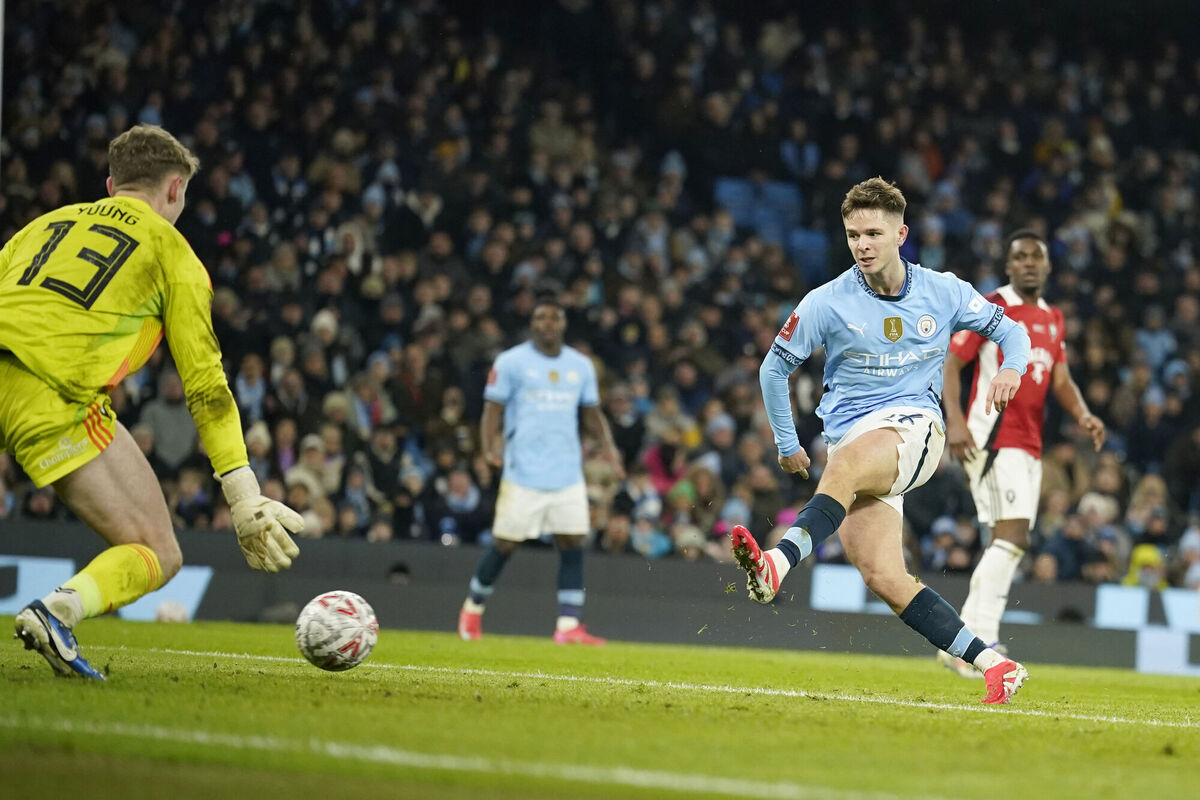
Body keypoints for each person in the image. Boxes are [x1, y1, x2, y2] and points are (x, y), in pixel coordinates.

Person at [0, 125, 303, 679]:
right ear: (175, 189)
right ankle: (58, 609)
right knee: (159, 552)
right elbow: (206, 385)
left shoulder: (44, 224)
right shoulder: (172, 251)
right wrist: (242, 496)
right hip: (52, 391)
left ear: (112, 184)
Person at [729, 177, 1033, 704]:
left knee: (842, 467)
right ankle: (995, 664)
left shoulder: (945, 291)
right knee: (885, 577)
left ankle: (776, 564)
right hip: (856, 441)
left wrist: (1012, 369)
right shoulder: (826, 302)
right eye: (852, 235)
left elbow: (1013, 331)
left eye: (872, 233)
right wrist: (785, 442)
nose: (862, 245)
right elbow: (772, 370)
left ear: (900, 234)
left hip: (917, 429)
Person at [938, 230, 1106, 677]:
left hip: (1030, 443)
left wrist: (1084, 414)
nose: (1029, 263)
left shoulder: (1053, 318)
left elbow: (1062, 379)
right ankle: (983, 640)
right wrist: (954, 420)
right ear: (1009, 266)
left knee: (1006, 544)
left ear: (1048, 266)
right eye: (1021, 257)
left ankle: (959, 642)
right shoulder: (993, 304)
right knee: (1012, 539)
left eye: (1037, 256)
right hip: (992, 435)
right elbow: (951, 364)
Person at [457, 288, 624, 644]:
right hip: (523, 472)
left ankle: (568, 627)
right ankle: (472, 611)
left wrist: (610, 448)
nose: (548, 324)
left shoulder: (580, 366)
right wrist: (488, 448)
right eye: (540, 318)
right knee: (504, 544)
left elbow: (592, 413)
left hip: (567, 473)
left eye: (554, 317)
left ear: (563, 323)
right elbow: (492, 410)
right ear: (532, 324)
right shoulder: (510, 362)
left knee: (573, 540)